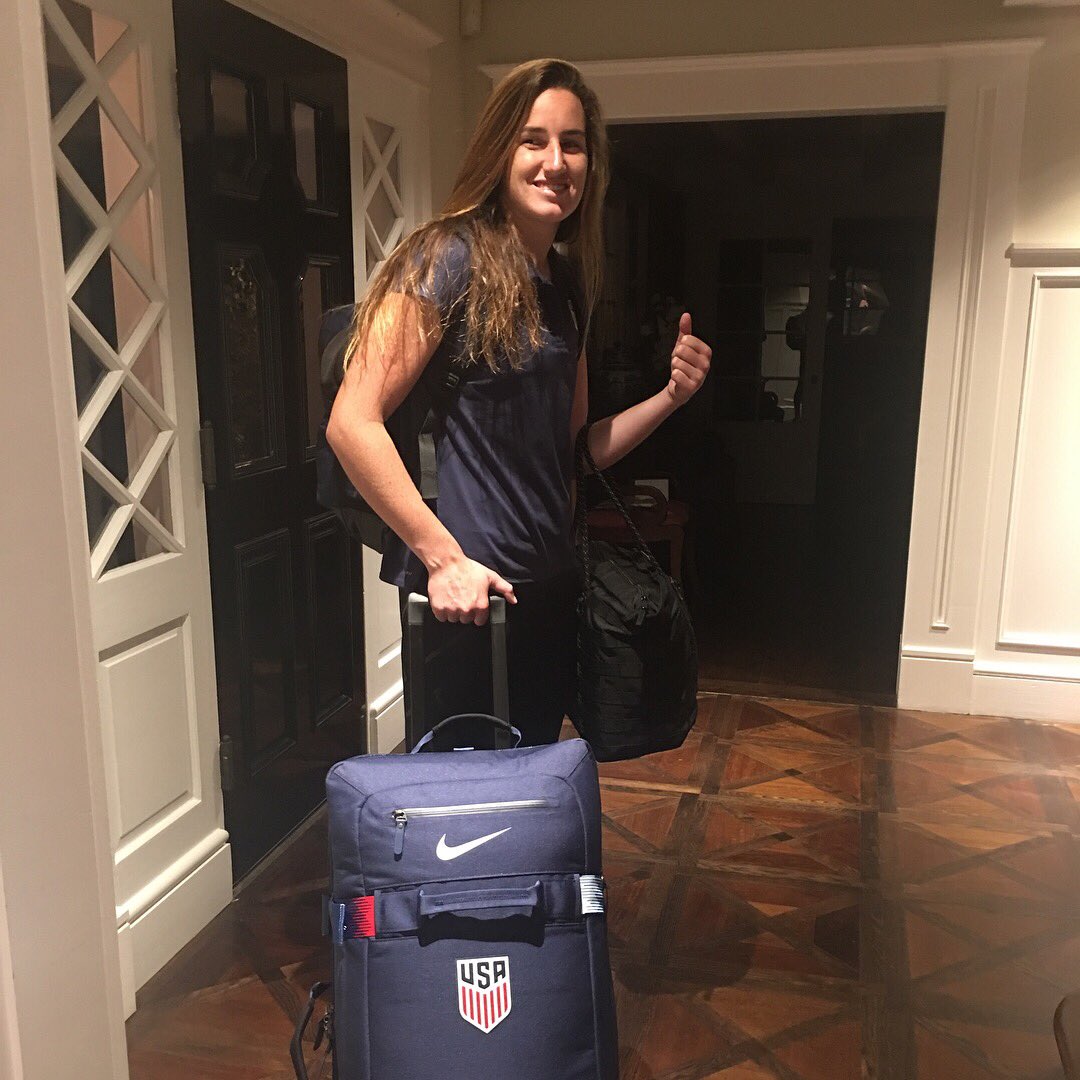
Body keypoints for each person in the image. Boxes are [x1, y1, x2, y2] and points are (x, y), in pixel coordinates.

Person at [325, 58, 711, 747]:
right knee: (466, 804)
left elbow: (575, 451)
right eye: (534, 140)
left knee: (532, 787)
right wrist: (443, 560)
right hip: (468, 600)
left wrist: (670, 397)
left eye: (573, 144)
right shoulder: (445, 258)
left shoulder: (567, 285)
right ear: (500, 150)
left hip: (549, 588)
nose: (555, 162)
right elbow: (352, 422)